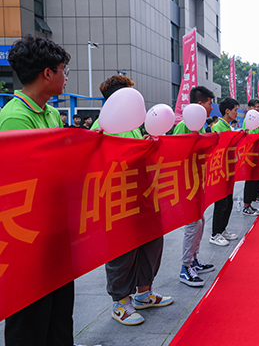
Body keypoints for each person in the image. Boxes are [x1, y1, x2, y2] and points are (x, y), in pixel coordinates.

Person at [0, 35, 75, 346]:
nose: (65, 76)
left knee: (59, 315)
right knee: (30, 319)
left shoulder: (51, 113)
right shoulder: (15, 117)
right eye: (63, 70)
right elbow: (23, 181)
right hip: (26, 235)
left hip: (54, 229)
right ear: (47, 73)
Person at [93, 75, 174, 326]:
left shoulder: (133, 125)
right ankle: (120, 302)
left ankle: (144, 293)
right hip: (117, 201)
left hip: (143, 196)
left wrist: (148, 145)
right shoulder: (102, 126)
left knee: (152, 242)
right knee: (122, 251)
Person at [172, 86, 216, 287]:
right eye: (209, 103)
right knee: (192, 224)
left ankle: (194, 259)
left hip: (197, 181)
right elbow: (176, 153)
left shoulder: (200, 126)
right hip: (185, 183)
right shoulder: (184, 126)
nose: (211, 108)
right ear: (200, 104)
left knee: (200, 221)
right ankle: (185, 267)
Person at [209, 97, 240, 246]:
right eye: (235, 110)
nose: (236, 113)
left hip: (228, 169)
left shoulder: (227, 126)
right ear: (227, 111)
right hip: (220, 170)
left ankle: (222, 229)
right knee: (221, 202)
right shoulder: (218, 127)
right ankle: (215, 234)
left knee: (228, 201)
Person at [241, 99, 259, 216]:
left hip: (257, 154)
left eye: (258, 107)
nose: (256, 109)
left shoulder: (258, 121)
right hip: (249, 155)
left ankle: (250, 203)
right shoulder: (248, 120)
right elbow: (251, 137)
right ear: (249, 107)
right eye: (254, 106)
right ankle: (246, 206)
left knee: (255, 179)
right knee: (250, 180)